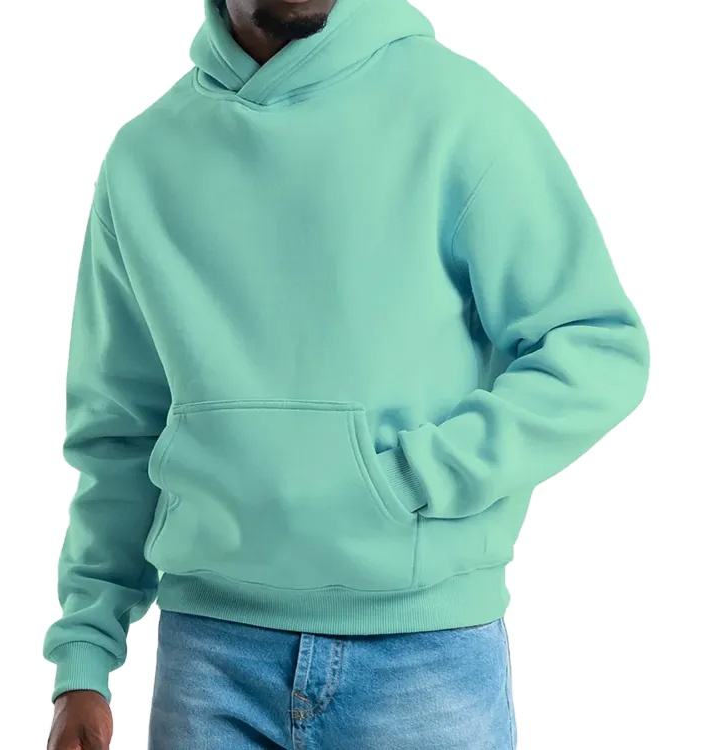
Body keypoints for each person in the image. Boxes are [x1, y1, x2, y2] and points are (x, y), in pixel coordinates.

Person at [44, 1, 650, 748]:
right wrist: (84, 656)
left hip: (422, 653)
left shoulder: (459, 114)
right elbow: (119, 429)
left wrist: (420, 476)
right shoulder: (146, 157)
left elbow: (595, 345)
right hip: (209, 656)